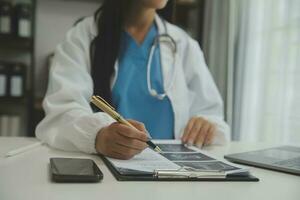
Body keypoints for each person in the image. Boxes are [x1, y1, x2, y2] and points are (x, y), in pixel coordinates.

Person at [36, 0, 230, 160]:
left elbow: (212, 115)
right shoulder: (82, 37)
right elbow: (61, 113)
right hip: (107, 173)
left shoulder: (184, 44)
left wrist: (205, 125)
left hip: (171, 174)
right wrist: (98, 136)